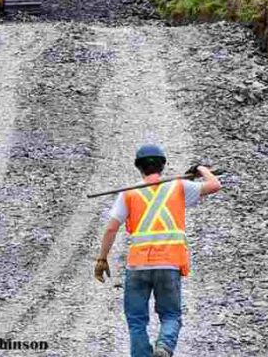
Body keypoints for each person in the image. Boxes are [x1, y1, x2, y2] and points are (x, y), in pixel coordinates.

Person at [94, 145, 222, 357]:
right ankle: (164, 347)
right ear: (162, 166)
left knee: (136, 320)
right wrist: (200, 169)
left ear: (139, 167)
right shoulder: (179, 186)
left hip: (138, 266)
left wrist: (102, 259)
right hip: (169, 264)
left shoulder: (129, 193)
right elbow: (215, 185)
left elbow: (111, 228)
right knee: (170, 315)